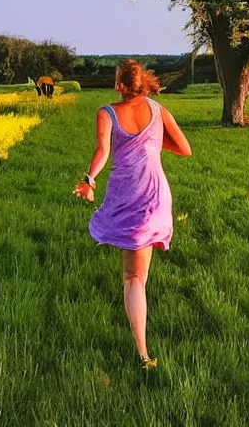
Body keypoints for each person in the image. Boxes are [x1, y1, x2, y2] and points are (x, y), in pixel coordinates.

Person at [73, 59, 192, 369]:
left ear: (118, 85)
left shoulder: (107, 111)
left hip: (130, 196)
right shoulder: (158, 110)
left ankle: (143, 355)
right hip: (157, 194)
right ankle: (142, 336)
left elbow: (102, 150)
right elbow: (184, 148)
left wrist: (89, 181)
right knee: (141, 275)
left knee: (133, 278)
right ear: (143, 83)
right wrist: (151, 142)